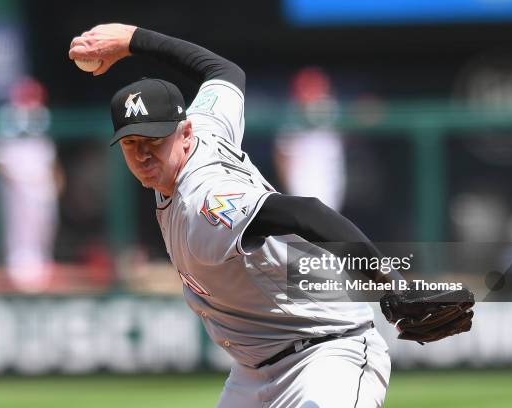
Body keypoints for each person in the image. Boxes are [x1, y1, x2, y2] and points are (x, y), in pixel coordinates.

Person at [69, 24, 472, 407]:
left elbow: (305, 213)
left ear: (184, 132)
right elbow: (222, 70)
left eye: (154, 139)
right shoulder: (209, 130)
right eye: (131, 143)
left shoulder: (206, 203)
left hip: (327, 354)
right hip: (251, 374)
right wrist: (134, 39)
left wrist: (388, 284)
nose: (142, 154)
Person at [0, 77, 62, 293]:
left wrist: (55, 175)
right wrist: (12, 179)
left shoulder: (41, 115)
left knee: (46, 223)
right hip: (17, 182)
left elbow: (48, 152)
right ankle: (18, 270)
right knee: (19, 226)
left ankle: (42, 265)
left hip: (40, 181)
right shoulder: (8, 117)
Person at [274, 67, 346, 211]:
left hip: (330, 184)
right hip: (303, 187)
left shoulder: (332, 110)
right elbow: (281, 157)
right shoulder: (291, 117)